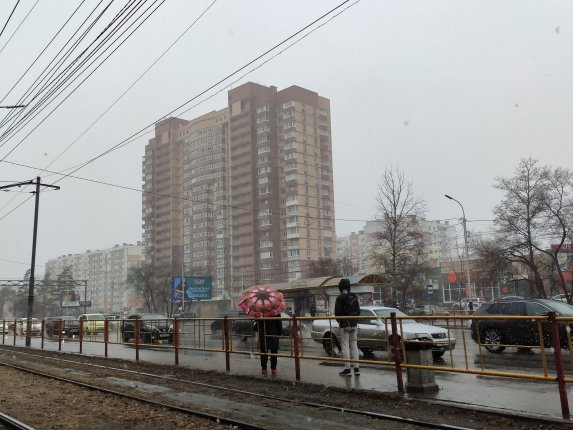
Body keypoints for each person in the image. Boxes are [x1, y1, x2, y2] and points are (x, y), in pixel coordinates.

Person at [334, 278, 361, 376]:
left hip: (344, 325)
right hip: (354, 324)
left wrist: (340, 321)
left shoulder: (340, 298)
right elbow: (358, 311)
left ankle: (347, 369)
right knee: (354, 345)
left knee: (345, 346)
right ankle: (357, 368)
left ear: (340, 287)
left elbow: (337, 313)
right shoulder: (353, 296)